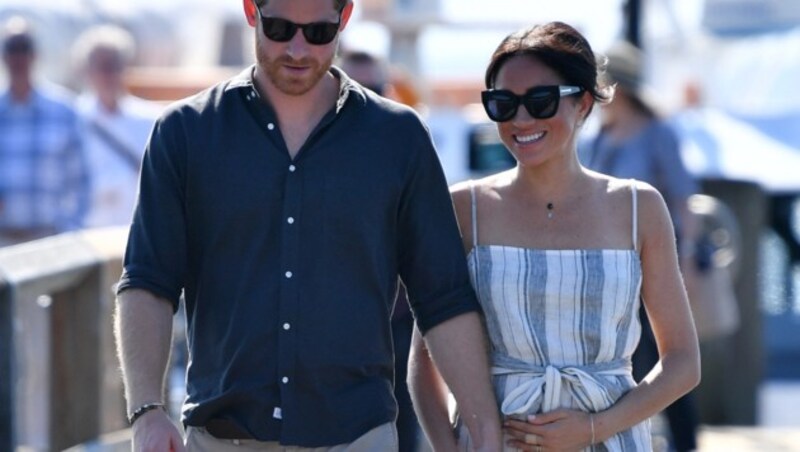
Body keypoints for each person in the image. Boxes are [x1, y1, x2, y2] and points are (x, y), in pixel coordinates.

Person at [113, 0, 502, 451]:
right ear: (250, 11)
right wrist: (146, 411)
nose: (298, 49)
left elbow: (443, 297)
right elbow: (147, 280)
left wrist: (484, 428)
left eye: (318, 33)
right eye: (279, 28)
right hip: (223, 439)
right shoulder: (184, 131)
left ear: (345, 18)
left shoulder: (398, 137)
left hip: (358, 437)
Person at [409, 22, 700, 451]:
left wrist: (594, 429)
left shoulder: (640, 208)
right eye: (503, 103)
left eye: (540, 102)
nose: (521, 119)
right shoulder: (462, 210)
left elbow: (683, 363)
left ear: (583, 103)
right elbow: (424, 362)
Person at [581, 40, 702, 452]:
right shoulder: (602, 135)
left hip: (653, 270)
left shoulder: (658, 133)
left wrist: (682, 264)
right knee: (628, 364)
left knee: (671, 363)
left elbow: (684, 200)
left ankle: (684, 445)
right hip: (610, 277)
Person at [338, 48, 423, 452]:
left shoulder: (404, 143)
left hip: (397, 317)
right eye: (352, 89)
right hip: (334, 322)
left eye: (372, 88)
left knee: (402, 419)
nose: (363, 98)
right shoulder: (308, 151)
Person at [0, 16, 89, 246]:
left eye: (24, 48)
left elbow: (80, 180)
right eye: (11, 49)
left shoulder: (63, 110)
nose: (18, 57)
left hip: (47, 239)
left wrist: (70, 230)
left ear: (35, 54)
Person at [71, 24, 161, 228]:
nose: (108, 74)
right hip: (88, 234)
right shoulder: (73, 120)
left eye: (114, 65)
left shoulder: (151, 119)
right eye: (101, 66)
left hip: (134, 233)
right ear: (86, 70)